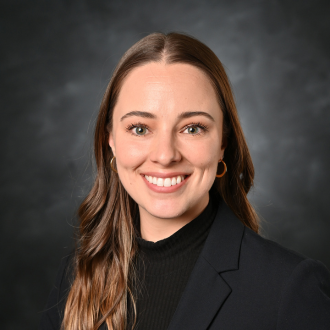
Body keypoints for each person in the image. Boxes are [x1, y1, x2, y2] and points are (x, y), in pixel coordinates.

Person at [40, 32, 330, 330]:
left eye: (192, 128)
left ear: (222, 144)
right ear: (110, 139)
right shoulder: (77, 276)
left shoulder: (289, 288)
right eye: (140, 129)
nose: (165, 155)